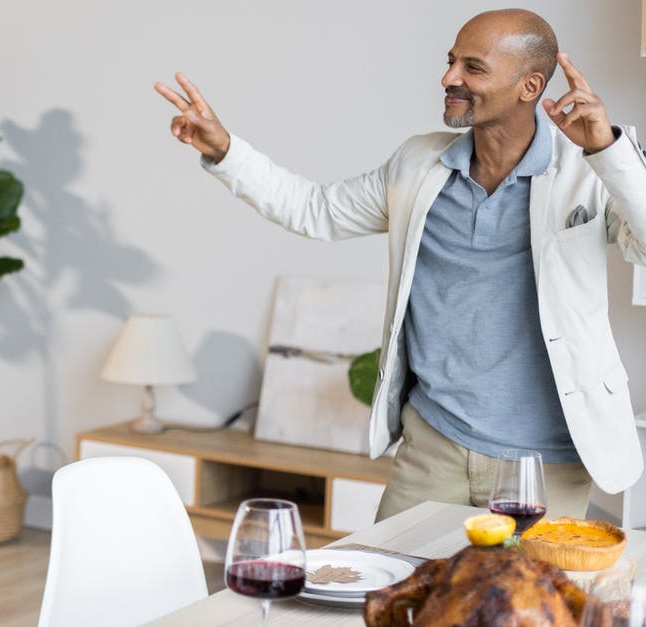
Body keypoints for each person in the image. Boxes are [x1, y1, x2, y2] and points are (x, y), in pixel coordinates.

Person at [157, 9, 646, 521]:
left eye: (473, 68)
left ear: (529, 87)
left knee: (527, 604)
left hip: (546, 461)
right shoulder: (418, 164)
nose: (449, 78)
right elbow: (314, 210)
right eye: (451, 61)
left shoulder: (590, 166)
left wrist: (608, 152)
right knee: (392, 595)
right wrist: (225, 151)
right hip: (433, 447)